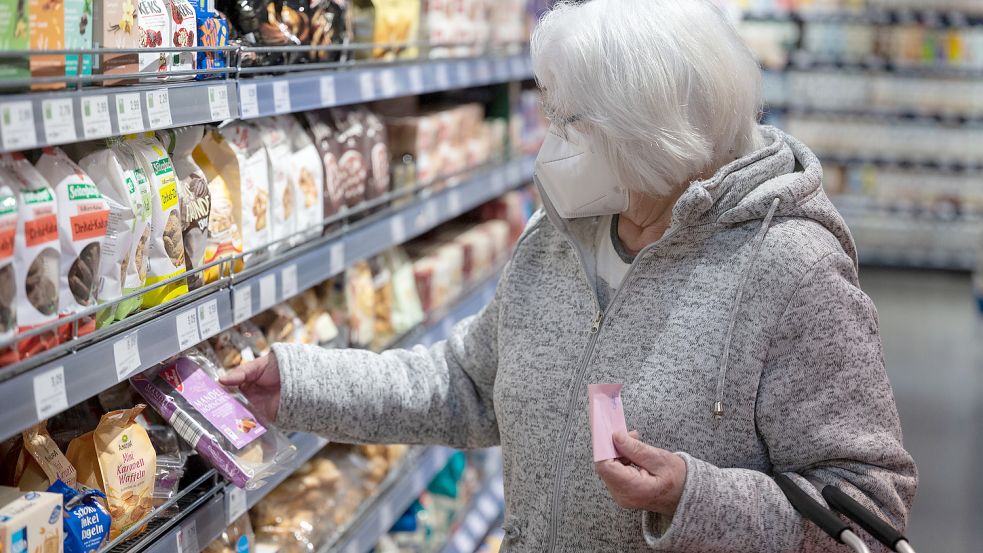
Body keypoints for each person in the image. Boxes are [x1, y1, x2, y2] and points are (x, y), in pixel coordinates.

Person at [221, 0, 918, 550]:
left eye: (567, 119)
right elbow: (469, 384)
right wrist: (302, 382)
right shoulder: (557, 237)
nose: (547, 138)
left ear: (646, 127)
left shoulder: (791, 271)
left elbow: (865, 510)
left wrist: (692, 499)